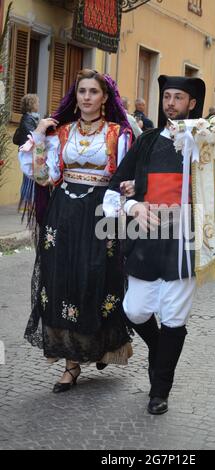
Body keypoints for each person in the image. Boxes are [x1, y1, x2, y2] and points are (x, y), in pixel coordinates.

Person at [18, 69, 134, 393]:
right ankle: (71, 365)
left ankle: (99, 344)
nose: (86, 97)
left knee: (95, 277)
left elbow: (124, 179)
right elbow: (44, 176)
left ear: (105, 98)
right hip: (64, 212)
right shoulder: (63, 133)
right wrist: (40, 134)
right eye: (81, 91)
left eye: (93, 92)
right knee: (61, 279)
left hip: (100, 211)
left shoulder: (118, 133)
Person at [104, 75, 206, 415]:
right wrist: (133, 206)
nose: (170, 103)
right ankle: (160, 347)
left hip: (185, 241)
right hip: (146, 241)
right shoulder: (146, 141)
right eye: (166, 97)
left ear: (191, 103)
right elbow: (113, 189)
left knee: (175, 317)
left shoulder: (206, 143)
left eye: (178, 97)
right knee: (134, 309)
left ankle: (159, 390)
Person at [13, 94, 50, 231]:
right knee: (28, 179)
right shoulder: (28, 119)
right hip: (28, 154)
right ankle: (26, 203)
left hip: (32, 153)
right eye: (37, 101)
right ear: (31, 104)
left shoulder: (32, 118)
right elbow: (32, 135)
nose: (38, 104)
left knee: (29, 180)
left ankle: (27, 202)